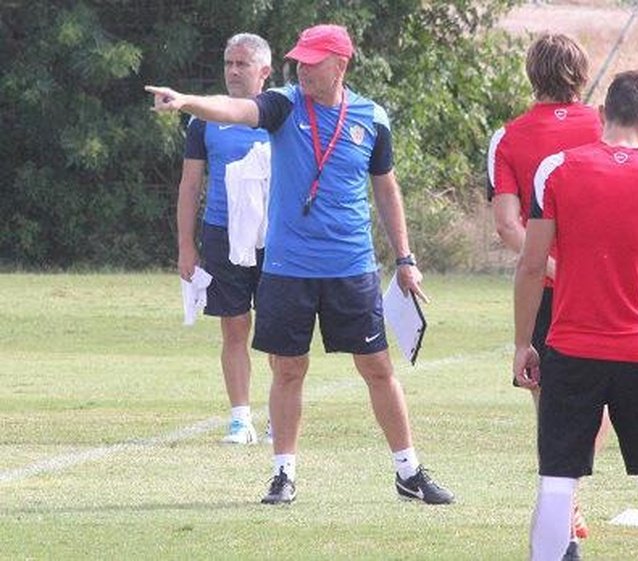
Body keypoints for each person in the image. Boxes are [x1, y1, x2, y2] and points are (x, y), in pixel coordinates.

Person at [147, 23, 453, 506]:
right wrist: (187, 101)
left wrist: (406, 259)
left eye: (312, 61)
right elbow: (238, 109)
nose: (301, 69)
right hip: (288, 269)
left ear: (340, 65)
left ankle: (408, 471)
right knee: (288, 370)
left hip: (351, 267)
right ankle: (283, 474)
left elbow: (387, 190)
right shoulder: (285, 105)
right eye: (299, 61)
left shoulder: (372, 119)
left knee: (377, 368)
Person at [513, 69, 638, 561]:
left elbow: (533, 265)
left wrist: (521, 343)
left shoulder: (556, 170)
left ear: (600, 115)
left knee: (557, 482)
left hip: (572, 346)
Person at [486, 32, 609, 559]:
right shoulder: (610, 124)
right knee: (604, 405)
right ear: (581, 74)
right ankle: (568, 503)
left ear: (531, 74)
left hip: (544, 292)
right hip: (605, 288)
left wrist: (553, 266)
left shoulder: (508, 137)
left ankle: (564, 505)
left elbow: (509, 228)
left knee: (553, 411)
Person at [177, 32, 272, 445]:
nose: (233, 71)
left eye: (243, 64)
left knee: (278, 331)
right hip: (222, 234)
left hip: (276, 239)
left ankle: (277, 420)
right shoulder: (205, 120)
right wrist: (186, 245)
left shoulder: (282, 115)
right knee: (234, 327)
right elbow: (190, 185)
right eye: (228, 64)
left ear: (264, 71)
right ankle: (240, 419)